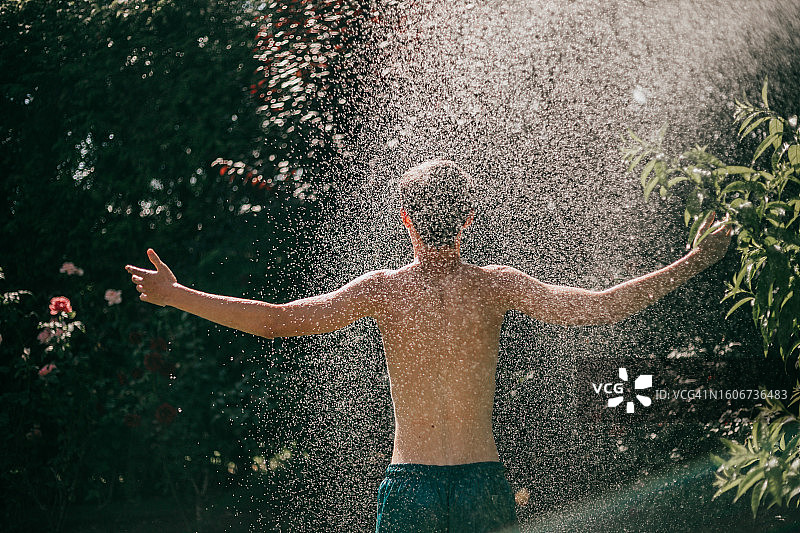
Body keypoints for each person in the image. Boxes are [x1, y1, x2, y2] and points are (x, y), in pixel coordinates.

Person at [124, 159, 732, 532]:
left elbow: (279, 321)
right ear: (469, 221)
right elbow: (599, 307)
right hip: (481, 483)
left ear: (407, 222)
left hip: (411, 484)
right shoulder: (497, 287)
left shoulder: (386, 292)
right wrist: (693, 261)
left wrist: (180, 296)